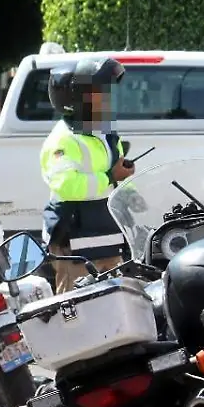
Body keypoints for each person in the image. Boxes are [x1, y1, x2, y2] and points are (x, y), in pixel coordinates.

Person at [40, 57, 134, 293]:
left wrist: (130, 193)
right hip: (75, 248)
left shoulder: (106, 132)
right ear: (75, 100)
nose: (107, 98)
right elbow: (66, 185)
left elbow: (118, 171)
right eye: (98, 93)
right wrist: (110, 177)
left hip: (108, 240)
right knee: (76, 314)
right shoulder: (63, 139)